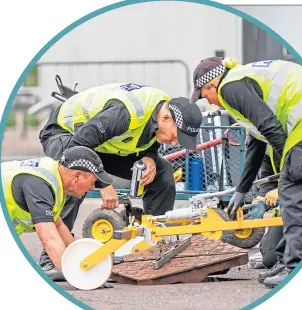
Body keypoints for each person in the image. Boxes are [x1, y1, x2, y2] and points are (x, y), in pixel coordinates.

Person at [39, 83, 202, 278]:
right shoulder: (124, 114)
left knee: (162, 171)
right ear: (166, 118)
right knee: (76, 179)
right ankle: (50, 258)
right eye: (176, 136)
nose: (175, 143)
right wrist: (103, 182)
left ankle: (153, 244)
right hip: (64, 135)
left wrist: (149, 157)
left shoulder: (165, 107)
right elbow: (78, 148)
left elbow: (148, 137)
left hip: (101, 145)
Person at [190, 56, 302, 288]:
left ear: (213, 85)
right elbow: (257, 141)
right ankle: (286, 261)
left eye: (204, 95)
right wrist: (242, 189)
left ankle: (294, 268)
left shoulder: (231, 87)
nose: (209, 103)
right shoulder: (239, 82)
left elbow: (270, 126)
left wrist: (286, 169)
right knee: (291, 191)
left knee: (291, 190)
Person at [2, 146, 113, 280]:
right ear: (77, 176)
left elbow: (58, 225)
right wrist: (79, 276)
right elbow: (49, 239)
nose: (93, 187)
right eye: (93, 182)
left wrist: (83, 261)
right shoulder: (40, 185)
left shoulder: (54, 180)